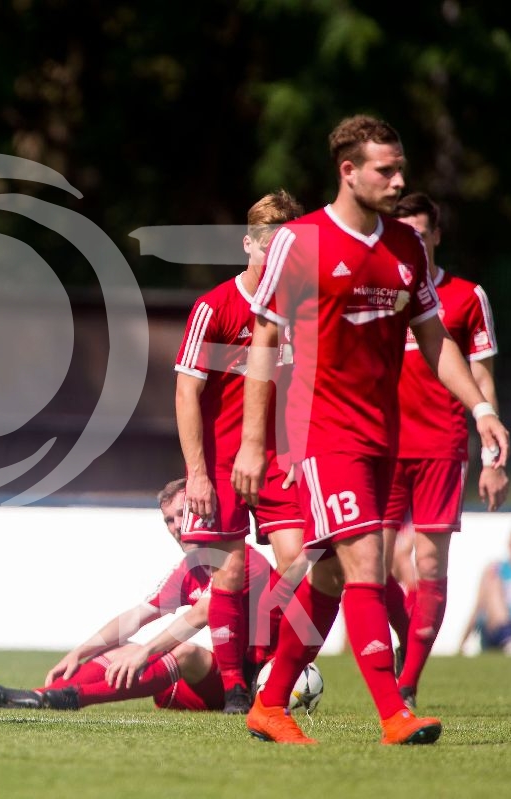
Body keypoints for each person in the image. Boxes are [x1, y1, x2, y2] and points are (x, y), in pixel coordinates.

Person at [232, 115, 509, 746]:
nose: (399, 180)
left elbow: (435, 340)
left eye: (401, 168)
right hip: (322, 433)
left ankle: (269, 704)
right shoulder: (298, 242)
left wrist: (481, 409)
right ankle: (394, 712)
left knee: (329, 577)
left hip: (384, 436)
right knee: (366, 562)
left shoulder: (406, 247)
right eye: (386, 170)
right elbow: (264, 340)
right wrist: (253, 443)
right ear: (348, 171)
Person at [0, 480, 283, 713]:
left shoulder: (241, 561)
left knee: (185, 653)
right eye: (168, 520)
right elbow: (136, 616)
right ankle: (37, 695)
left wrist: (146, 652)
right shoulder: (189, 569)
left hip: (257, 683)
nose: (177, 526)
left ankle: (72, 698)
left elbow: (201, 614)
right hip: (215, 689)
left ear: (202, 512)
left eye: (182, 514)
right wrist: (80, 652)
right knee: (123, 649)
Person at [175, 190, 306, 713]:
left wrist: (300, 453)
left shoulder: (302, 312)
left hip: (279, 463)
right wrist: (197, 473)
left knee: (305, 563)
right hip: (222, 464)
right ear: (248, 244)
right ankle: (234, 687)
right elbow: (187, 393)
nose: (275, 258)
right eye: (267, 246)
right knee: (228, 574)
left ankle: (258, 658)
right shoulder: (214, 307)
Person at [380, 192, 507, 709]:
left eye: (419, 233)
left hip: (441, 445)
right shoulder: (380, 292)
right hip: (381, 444)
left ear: (435, 235)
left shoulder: (467, 296)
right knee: (370, 565)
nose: (411, 241)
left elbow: (482, 379)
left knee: (430, 563)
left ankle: (407, 684)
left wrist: (492, 459)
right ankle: (409, 635)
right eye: (402, 234)